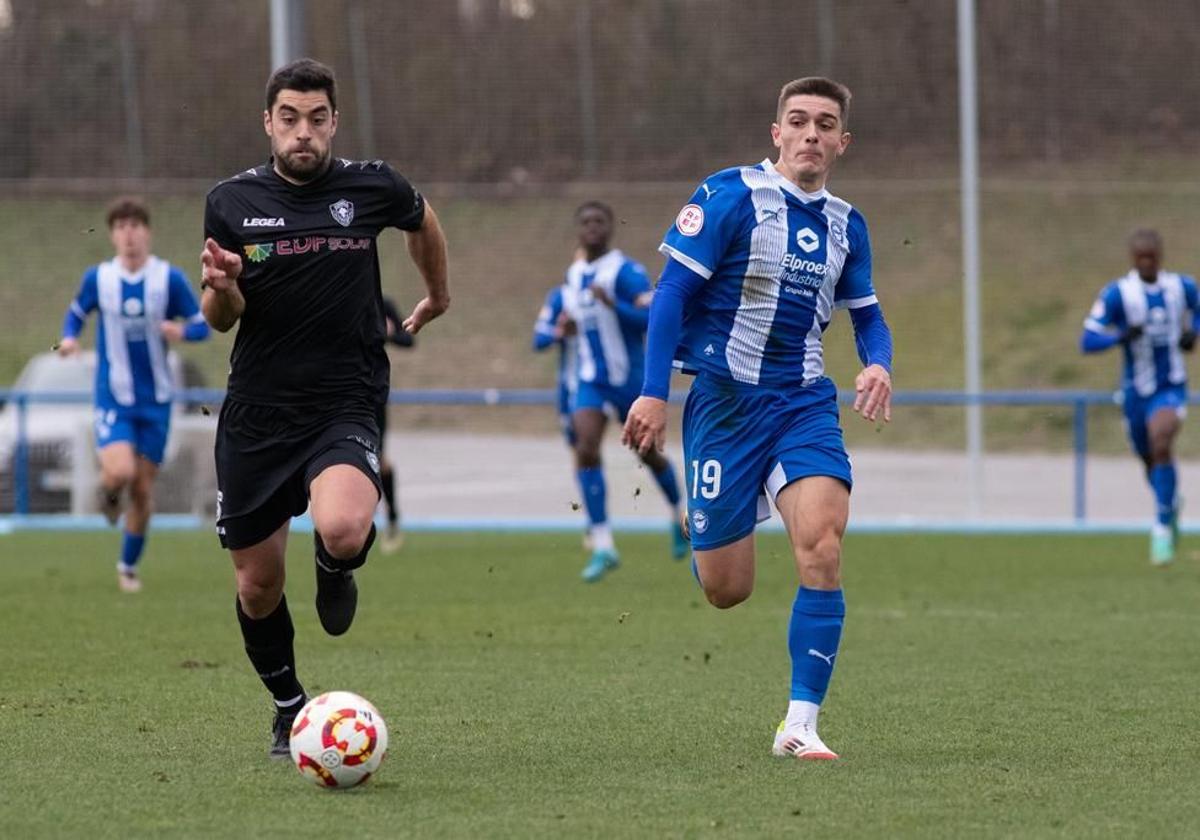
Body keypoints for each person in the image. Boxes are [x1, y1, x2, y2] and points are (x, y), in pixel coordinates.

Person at [622, 77, 893, 760]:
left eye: (825, 124)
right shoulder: (729, 196)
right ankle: (712, 514)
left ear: (842, 142)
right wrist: (654, 392)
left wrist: (877, 362)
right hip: (724, 402)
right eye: (798, 121)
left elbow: (867, 315)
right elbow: (672, 295)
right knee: (727, 590)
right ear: (777, 133)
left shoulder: (846, 225)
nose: (811, 134)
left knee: (823, 547)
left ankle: (799, 724)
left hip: (803, 403)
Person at [199, 58, 450, 758]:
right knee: (256, 585)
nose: (302, 133)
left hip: (345, 398)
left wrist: (439, 290)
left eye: (316, 119)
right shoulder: (230, 201)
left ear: (333, 122)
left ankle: (336, 566)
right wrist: (220, 286)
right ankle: (289, 707)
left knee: (341, 528)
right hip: (257, 410)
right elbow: (222, 317)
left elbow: (423, 220)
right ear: (268, 124)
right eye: (289, 119)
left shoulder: (372, 186)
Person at [57, 197, 210, 593]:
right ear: (112, 235)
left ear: (147, 231)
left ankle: (127, 565)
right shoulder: (99, 279)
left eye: (135, 226)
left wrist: (182, 332)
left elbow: (203, 325)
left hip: (157, 400)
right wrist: (70, 338)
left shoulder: (169, 279)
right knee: (121, 472)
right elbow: (76, 312)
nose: (129, 234)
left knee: (142, 490)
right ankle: (109, 492)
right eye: (121, 227)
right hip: (113, 396)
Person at [557, 202, 687, 582]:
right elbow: (584, 325)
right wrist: (568, 330)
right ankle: (603, 545)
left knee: (647, 454)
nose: (592, 228)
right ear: (577, 230)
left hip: (630, 380)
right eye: (585, 222)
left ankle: (679, 515)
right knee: (585, 447)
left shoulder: (626, 272)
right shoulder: (575, 272)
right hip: (591, 379)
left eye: (599, 222)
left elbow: (651, 318)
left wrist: (613, 305)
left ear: (610, 229)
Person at [1081, 228, 1199, 565]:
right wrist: (1119, 336)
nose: (1147, 263)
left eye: (1152, 258)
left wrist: (1193, 334)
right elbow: (1087, 340)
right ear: (1133, 259)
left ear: (1160, 257)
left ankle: (1161, 528)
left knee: (1161, 440)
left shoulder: (1181, 287)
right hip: (1135, 392)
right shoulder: (1118, 294)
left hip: (1171, 386)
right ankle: (1170, 504)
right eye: (1141, 258)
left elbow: (1199, 311)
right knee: (1149, 457)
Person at [377, 295, 415, 553]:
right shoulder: (336, 295)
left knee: (379, 461)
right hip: (332, 391)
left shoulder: (382, 303)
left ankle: (391, 519)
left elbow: (409, 338)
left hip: (371, 392)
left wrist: (390, 333)